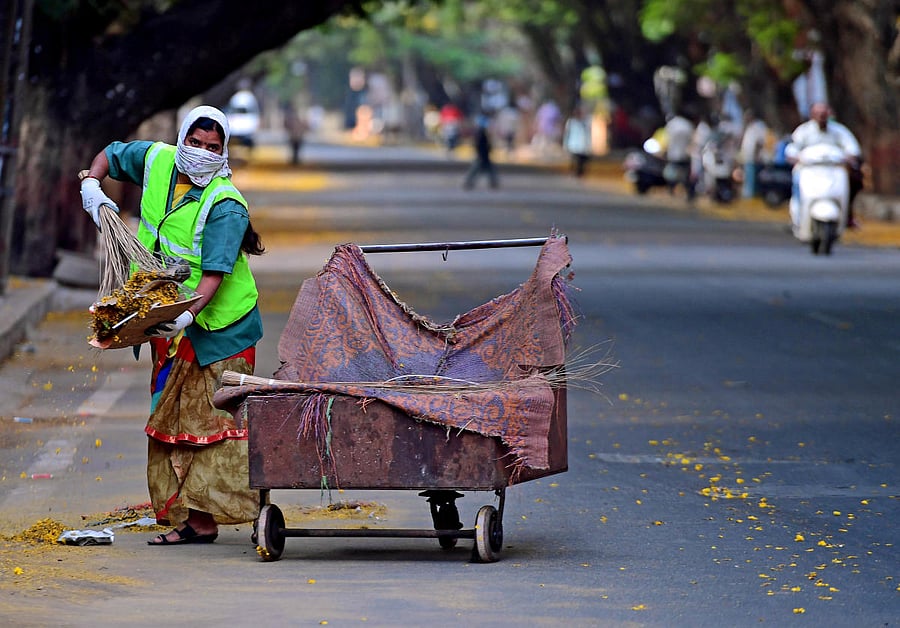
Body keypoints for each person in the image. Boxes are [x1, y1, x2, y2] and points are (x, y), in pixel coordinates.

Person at [79, 105, 265, 545]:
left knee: (206, 423)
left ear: (224, 154)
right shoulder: (159, 159)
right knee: (169, 416)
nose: (201, 153)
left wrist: (186, 315)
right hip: (164, 315)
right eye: (195, 144)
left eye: (213, 148)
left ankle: (206, 517)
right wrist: (92, 182)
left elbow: (216, 275)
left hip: (219, 327)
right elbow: (112, 153)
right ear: (183, 139)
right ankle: (191, 519)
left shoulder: (226, 206)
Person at [785, 101, 862, 225]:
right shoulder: (804, 131)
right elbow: (792, 148)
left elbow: (852, 148)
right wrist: (795, 157)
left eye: (824, 114)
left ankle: (848, 215)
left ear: (829, 114)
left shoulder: (839, 131)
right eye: (818, 114)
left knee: (854, 180)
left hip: (832, 170)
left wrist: (850, 157)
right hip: (809, 170)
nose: (821, 117)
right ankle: (798, 216)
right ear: (812, 115)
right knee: (797, 184)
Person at [663, 110, 696, 200]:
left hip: (673, 153)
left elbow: (666, 138)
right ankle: (689, 193)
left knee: (672, 173)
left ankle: (671, 190)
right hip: (684, 153)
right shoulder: (688, 125)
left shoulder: (672, 124)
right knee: (685, 174)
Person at [738, 109, 769, 198]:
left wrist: (756, 156)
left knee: (752, 180)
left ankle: (751, 196)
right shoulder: (750, 126)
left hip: (754, 159)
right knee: (747, 178)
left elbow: (760, 142)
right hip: (748, 158)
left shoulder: (759, 126)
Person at [463, 114, 499, 190]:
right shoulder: (481, 133)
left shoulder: (481, 132)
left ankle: (493, 183)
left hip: (483, 155)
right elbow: (480, 145)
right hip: (482, 156)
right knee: (477, 169)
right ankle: (468, 183)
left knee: (489, 170)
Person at [562, 104, 591, 178]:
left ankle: (580, 173)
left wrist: (588, 144)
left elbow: (588, 134)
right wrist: (565, 144)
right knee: (574, 160)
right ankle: (574, 172)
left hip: (582, 145)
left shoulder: (585, 122)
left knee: (581, 160)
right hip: (573, 145)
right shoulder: (571, 122)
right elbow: (567, 133)